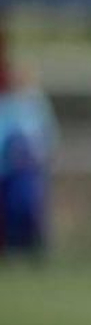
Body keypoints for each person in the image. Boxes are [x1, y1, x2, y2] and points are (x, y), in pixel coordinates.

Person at [0, 30, 57, 263]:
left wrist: (39, 154)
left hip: (28, 169)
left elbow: (47, 135)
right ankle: (11, 250)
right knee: (9, 211)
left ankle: (32, 250)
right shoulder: (7, 103)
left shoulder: (35, 102)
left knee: (28, 208)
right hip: (6, 168)